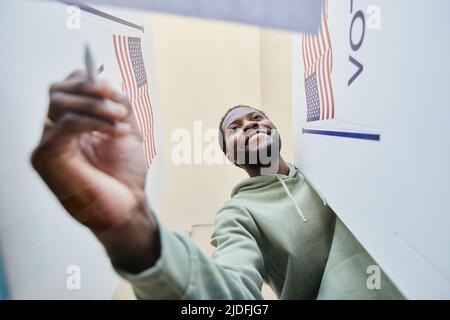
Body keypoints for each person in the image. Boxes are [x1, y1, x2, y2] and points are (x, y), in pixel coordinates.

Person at [31, 71, 403, 299]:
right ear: (232, 157)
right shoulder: (238, 215)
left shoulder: (330, 162)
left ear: (274, 129)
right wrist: (134, 231)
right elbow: (232, 292)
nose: (251, 125)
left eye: (258, 118)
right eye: (236, 129)